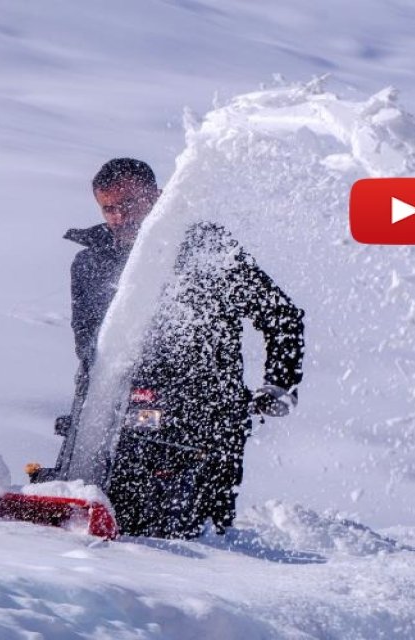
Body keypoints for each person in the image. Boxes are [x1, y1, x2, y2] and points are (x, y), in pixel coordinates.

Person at [61, 157, 304, 538]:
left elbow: (281, 316)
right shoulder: (91, 261)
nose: (121, 217)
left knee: (196, 538)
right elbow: (88, 341)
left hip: (205, 419)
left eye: (130, 204)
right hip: (112, 411)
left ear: (158, 198)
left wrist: (278, 385)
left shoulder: (208, 251)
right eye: (110, 208)